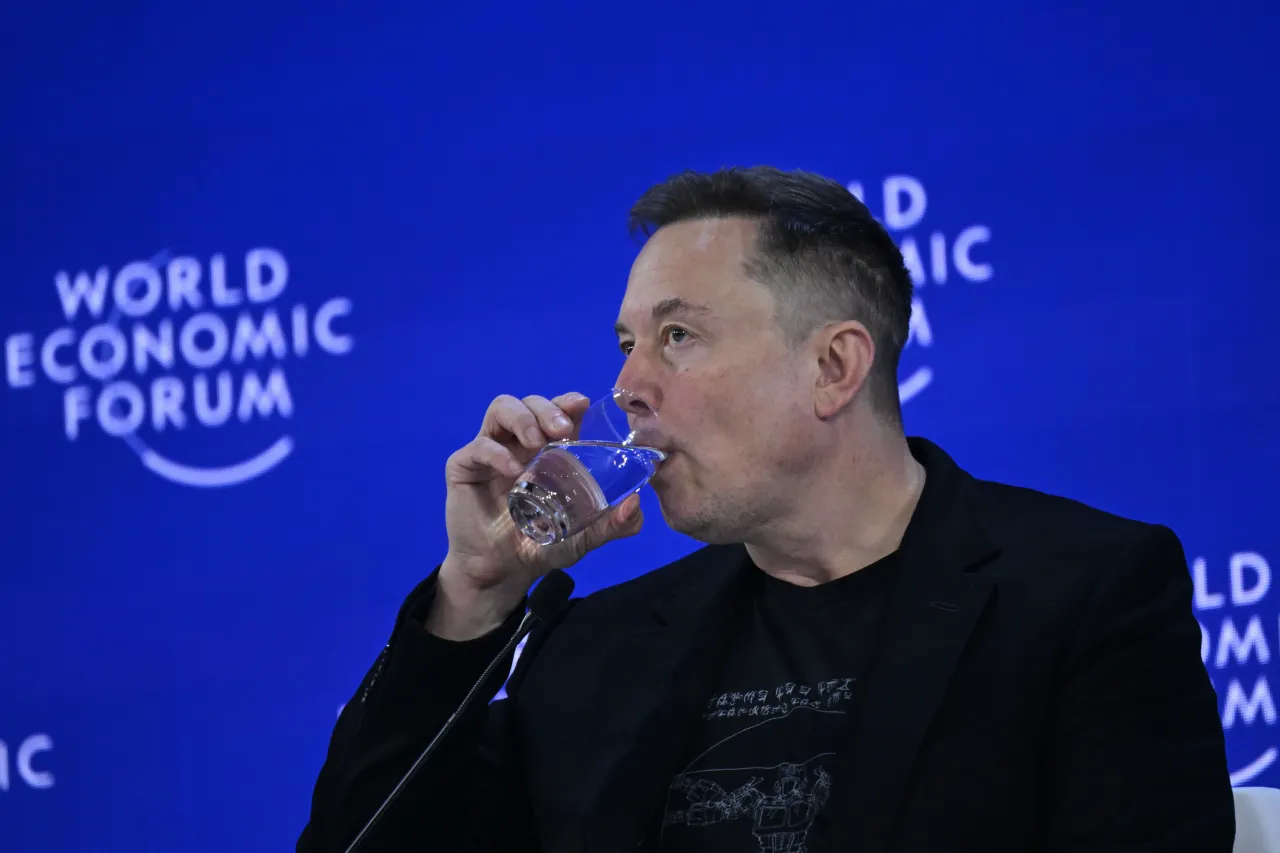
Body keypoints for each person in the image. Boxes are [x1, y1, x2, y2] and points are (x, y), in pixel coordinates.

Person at [297, 167, 1235, 852]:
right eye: (626, 343)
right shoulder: (594, 648)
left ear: (833, 367)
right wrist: (474, 594)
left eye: (677, 336)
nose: (626, 385)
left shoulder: (1081, 594)